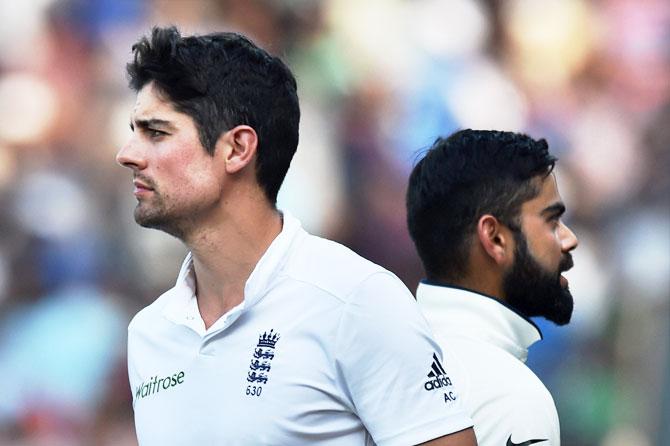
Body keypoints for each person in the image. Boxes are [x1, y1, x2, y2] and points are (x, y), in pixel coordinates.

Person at [116, 26, 477, 445]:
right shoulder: (148, 333)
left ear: (236, 149)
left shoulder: (357, 299)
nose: (128, 154)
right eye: (134, 131)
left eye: (156, 132)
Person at [406, 130, 579, 445]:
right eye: (552, 221)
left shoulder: (386, 354)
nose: (570, 239)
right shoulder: (512, 398)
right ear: (495, 237)